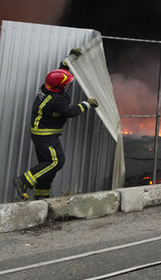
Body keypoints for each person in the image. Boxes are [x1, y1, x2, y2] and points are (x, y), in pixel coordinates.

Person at [13, 61, 99, 200]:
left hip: (41, 134)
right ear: (59, 87)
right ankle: (23, 181)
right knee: (56, 161)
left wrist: (65, 64)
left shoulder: (47, 87)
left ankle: (41, 196)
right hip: (46, 136)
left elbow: (57, 78)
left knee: (47, 167)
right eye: (65, 84)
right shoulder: (56, 100)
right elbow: (70, 111)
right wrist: (86, 104)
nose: (67, 86)